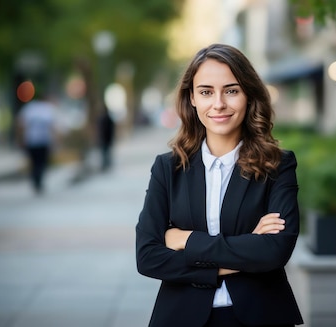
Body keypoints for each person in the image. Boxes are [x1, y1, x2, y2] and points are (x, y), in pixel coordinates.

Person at [135, 44, 303, 327]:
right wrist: (245, 249)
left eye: (231, 90)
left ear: (248, 95)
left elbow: (274, 251)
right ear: (192, 99)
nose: (219, 104)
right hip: (181, 316)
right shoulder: (168, 168)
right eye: (206, 92)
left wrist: (184, 240)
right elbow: (148, 257)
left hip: (260, 316)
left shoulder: (278, 164)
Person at [17, 91, 57, 195]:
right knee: (40, 162)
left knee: (37, 162)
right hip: (40, 140)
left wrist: (21, 138)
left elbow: (21, 124)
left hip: (35, 140)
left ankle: (37, 180)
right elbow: (52, 126)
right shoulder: (47, 109)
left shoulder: (29, 108)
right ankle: (37, 180)